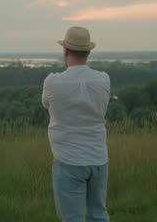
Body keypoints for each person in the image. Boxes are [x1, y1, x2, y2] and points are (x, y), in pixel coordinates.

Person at [42, 26, 111, 222]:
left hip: (68, 159)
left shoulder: (53, 82)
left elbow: (46, 104)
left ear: (65, 51)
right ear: (88, 52)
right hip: (98, 159)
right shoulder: (103, 80)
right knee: (98, 215)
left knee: (72, 218)